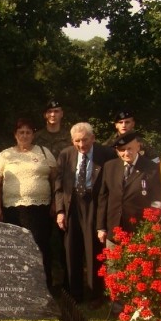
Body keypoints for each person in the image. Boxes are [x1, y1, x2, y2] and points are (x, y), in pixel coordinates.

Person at [54, 123, 116, 303]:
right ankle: (75, 294)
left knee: (93, 250)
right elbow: (58, 186)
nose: (82, 145)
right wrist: (60, 211)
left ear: (93, 138)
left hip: (95, 204)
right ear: (72, 141)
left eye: (85, 140)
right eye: (77, 141)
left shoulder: (106, 154)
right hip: (72, 204)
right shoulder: (66, 154)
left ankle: (95, 295)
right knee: (71, 249)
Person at [0, 118, 58, 286]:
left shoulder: (44, 152)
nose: (25, 135)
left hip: (40, 209)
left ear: (33, 135)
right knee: (16, 247)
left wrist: (55, 203)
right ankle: (19, 286)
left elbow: (55, 180)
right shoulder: (5, 155)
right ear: (15, 135)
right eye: (21, 132)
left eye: (28, 132)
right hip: (12, 209)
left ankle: (44, 285)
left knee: (40, 246)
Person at [97, 132, 161, 244]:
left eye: (130, 148)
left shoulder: (151, 168)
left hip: (139, 231)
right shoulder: (110, 167)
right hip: (114, 230)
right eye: (122, 150)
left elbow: (156, 200)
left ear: (138, 146)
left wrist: (152, 226)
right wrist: (101, 227)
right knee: (112, 262)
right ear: (117, 151)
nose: (126, 153)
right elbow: (103, 198)